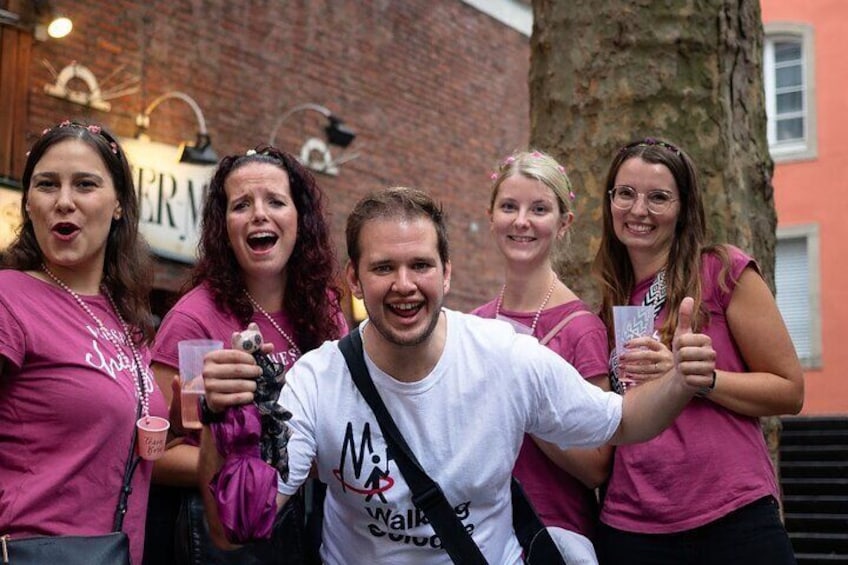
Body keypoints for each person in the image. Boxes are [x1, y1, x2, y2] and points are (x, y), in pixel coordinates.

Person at [199, 186, 717, 564]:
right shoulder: (318, 380)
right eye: (383, 269)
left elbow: (622, 421)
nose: (404, 285)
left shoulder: (504, 356)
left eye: (421, 265)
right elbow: (234, 530)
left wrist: (679, 385)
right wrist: (225, 421)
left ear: (447, 274)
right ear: (355, 280)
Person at [592, 137, 804, 564]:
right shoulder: (606, 304)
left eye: (658, 198)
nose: (638, 210)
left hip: (731, 516)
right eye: (626, 194)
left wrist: (698, 378)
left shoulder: (722, 271)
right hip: (632, 526)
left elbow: (789, 390)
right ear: (610, 201)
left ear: (684, 208)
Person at [145, 145, 346, 564]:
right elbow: (156, 454)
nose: (259, 214)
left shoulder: (326, 311)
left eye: (275, 201)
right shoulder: (192, 319)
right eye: (241, 204)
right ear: (224, 226)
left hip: (316, 527)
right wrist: (250, 463)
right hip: (222, 535)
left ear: (300, 219)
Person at [0, 121, 166, 565]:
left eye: (85, 184)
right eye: (47, 185)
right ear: (29, 203)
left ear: (118, 206)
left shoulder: (128, 320)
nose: (64, 202)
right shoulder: (8, 297)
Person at [472, 150, 611, 563]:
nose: (521, 221)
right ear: (492, 215)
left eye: (539, 209)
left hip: (552, 536)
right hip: (478, 531)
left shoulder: (581, 328)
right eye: (509, 206)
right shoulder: (473, 324)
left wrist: (525, 404)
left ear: (563, 223)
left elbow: (596, 464)